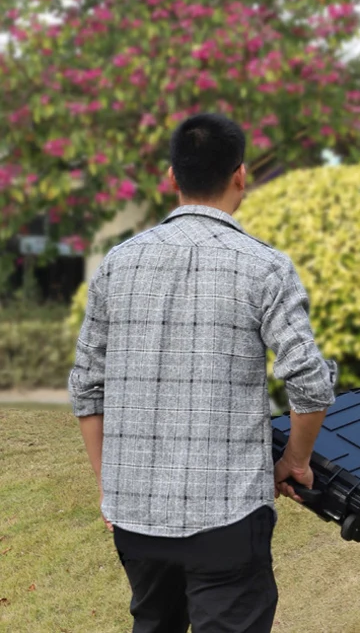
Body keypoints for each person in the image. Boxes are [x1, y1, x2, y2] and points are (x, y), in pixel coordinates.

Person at [68, 113, 337, 633]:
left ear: (173, 176)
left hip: (135, 518)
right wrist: (295, 462)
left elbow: (86, 386)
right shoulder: (264, 267)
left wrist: (111, 488)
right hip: (229, 517)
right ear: (241, 175)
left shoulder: (118, 264)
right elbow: (309, 382)